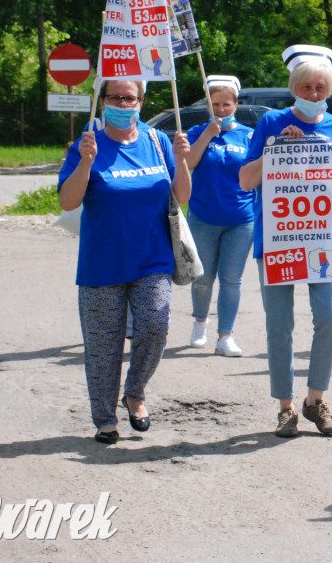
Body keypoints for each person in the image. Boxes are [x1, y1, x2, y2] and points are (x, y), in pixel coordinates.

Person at [239, 44, 332, 438]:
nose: (313, 94)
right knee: (280, 325)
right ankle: (285, 407)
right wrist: (278, 148)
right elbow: (246, 180)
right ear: (294, 87)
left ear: (329, 90)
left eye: (321, 88)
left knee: (329, 317)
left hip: (323, 241)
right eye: (306, 87)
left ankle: (314, 400)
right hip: (277, 242)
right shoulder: (271, 123)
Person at [58, 79, 192, 444]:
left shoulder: (156, 141)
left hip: (153, 258)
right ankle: (104, 418)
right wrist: (85, 163)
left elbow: (181, 196)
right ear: (102, 102)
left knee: (154, 326)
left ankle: (135, 392)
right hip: (102, 262)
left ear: (141, 102)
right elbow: (68, 202)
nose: (123, 103)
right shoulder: (88, 144)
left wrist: (181, 158)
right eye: (115, 97)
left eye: (129, 98)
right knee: (103, 345)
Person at [184, 75, 257, 357]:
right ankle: (200, 321)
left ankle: (225, 335)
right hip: (203, 216)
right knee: (202, 277)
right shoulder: (196, 131)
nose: (221, 110)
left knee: (231, 279)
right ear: (208, 106)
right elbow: (188, 163)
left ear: (236, 105)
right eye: (215, 105)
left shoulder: (249, 135)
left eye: (226, 104)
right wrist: (206, 135)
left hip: (241, 218)